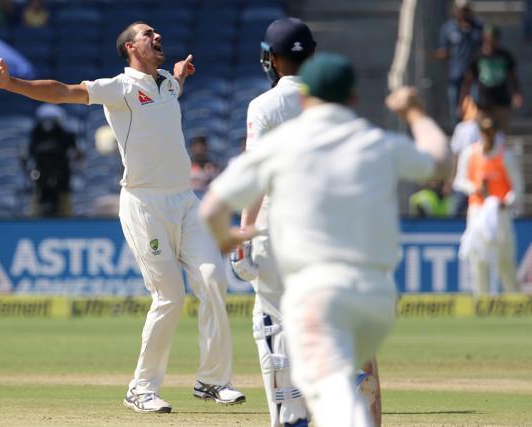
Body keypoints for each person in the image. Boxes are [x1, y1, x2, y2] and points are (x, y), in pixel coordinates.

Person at [0, 21, 244, 414]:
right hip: (143, 204)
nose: (157, 37)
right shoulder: (117, 87)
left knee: (214, 280)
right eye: (148, 35)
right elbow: (62, 91)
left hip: (185, 202)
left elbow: (171, 93)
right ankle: (141, 388)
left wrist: (182, 75)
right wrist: (10, 84)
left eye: (158, 33)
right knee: (169, 296)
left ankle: (212, 381)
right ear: (130, 48)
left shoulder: (168, 82)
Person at [200, 53, 451, 426]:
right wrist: (414, 113)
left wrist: (230, 237)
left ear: (304, 99)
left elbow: (210, 210)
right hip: (376, 298)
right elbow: (442, 162)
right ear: (352, 98)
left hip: (316, 293)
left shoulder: (281, 147)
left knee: (326, 391)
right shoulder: (377, 142)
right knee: (338, 373)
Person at [236, 17, 382, 427]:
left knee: (273, 326)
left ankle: (292, 415)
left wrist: (243, 235)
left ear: (272, 59)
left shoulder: (264, 106)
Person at [454, 116, 522, 294]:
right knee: (478, 256)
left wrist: (506, 201)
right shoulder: (471, 154)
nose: (487, 137)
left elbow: (517, 186)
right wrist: (474, 188)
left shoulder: (504, 156)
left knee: (504, 256)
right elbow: (459, 180)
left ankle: (513, 299)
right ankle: (482, 300)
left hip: (499, 212)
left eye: (490, 133)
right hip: (477, 210)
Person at [460, 24, 524, 133]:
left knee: (502, 134)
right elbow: (468, 80)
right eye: (489, 38)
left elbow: (512, 77)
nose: (491, 41)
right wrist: (463, 99)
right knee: (484, 134)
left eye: (494, 38)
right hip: (483, 102)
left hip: (502, 101)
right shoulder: (477, 56)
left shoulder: (505, 56)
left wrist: (516, 93)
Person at [432, 0, 483, 125]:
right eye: (461, 10)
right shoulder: (448, 28)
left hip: (475, 74)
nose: (464, 13)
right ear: (456, 11)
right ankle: (458, 132)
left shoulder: (479, 28)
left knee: (475, 104)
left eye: (466, 10)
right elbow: (445, 50)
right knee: (456, 107)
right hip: (455, 74)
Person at [27, 103, 80, 217]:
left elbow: (77, 154)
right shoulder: (35, 135)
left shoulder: (66, 135)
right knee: (35, 207)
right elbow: (28, 154)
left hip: (62, 178)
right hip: (40, 179)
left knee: (65, 207)